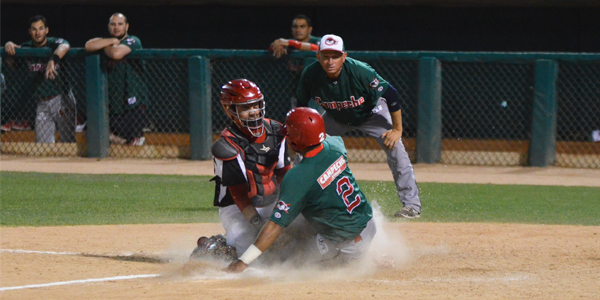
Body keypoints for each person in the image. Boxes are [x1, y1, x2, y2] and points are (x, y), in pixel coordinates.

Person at [227, 107, 376, 273]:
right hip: (369, 225)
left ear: (296, 141)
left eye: (289, 134)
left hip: (345, 246)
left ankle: (357, 262)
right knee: (300, 227)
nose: (287, 138)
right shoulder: (336, 145)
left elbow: (275, 226)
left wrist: (243, 262)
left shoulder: (298, 176)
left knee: (289, 259)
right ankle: (366, 257)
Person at [296, 34, 422, 219]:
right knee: (305, 150)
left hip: (373, 114)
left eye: (335, 56)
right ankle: (297, 202)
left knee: (397, 151)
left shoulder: (360, 71)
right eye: (326, 56)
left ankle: (411, 205)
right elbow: (301, 105)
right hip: (336, 118)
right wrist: (303, 137)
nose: (330, 61)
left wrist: (397, 130)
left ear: (344, 56)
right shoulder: (310, 74)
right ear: (318, 56)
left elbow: (391, 94)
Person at [191, 79, 292, 260]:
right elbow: (238, 194)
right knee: (248, 251)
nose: (253, 112)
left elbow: (284, 174)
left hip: (270, 200)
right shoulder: (226, 145)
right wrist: (258, 224)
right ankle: (216, 247)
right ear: (230, 111)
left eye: (256, 105)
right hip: (236, 207)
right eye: (245, 108)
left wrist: (285, 214)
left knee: (294, 237)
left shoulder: (278, 131)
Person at [3, 15, 76, 143]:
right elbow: (14, 66)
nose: (38, 32)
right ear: (29, 31)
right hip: (42, 103)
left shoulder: (53, 42)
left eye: (41, 28)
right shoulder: (26, 47)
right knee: (43, 146)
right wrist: (8, 47)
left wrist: (53, 60)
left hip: (62, 99)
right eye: (34, 29)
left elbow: (65, 45)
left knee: (68, 141)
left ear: (46, 30)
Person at [85, 13, 148, 146]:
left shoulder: (134, 41)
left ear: (127, 26)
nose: (116, 27)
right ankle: (123, 142)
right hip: (113, 103)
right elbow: (88, 45)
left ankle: (128, 143)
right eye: (113, 24)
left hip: (133, 104)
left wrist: (104, 46)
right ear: (108, 27)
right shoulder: (108, 41)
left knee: (134, 143)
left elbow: (116, 53)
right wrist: (111, 41)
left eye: (120, 24)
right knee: (94, 131)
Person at [269, 15, 321, 111]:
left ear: (310, 29)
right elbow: (272, 47)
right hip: (296, 92)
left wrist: (290, 43)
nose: (298, 30)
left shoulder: (317, 41)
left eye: (302, 26)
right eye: (295, 27)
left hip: (318, 93)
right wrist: (277, 45)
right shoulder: (287, 44)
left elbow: (318, 48)